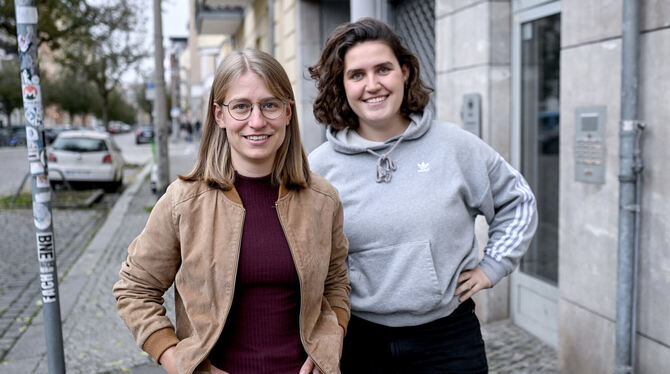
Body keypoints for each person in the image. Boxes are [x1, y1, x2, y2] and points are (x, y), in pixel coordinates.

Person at [308, 18, 537, 373]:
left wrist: (494, 265)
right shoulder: (318, 168)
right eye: (356, 75)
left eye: (383, 69)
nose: (372, 85)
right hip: (357, 340)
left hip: (448, 338)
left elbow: (518, 201)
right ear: (341, 85)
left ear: (405, 72)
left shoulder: (455, 147)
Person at [114, 49, 350, 374]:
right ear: (219, 115)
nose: (257, 121)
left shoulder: (322, 199)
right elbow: (135, 289)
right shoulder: (184, 202)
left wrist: (330, 342)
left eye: (270, 105)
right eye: (241, 107)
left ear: (288, 113)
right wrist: (176, 360)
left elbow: (336, 281)